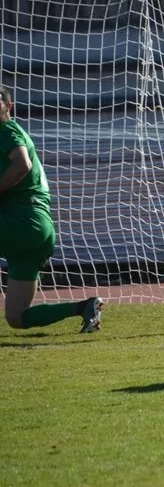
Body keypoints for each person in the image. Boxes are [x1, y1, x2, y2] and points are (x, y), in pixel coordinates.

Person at [1, 85, 102, 333]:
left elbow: (22, 164)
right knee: (16, 317)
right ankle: (84, 307)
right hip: (36, 230)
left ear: (8, 107)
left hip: (24, 221)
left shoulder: (5, 130)